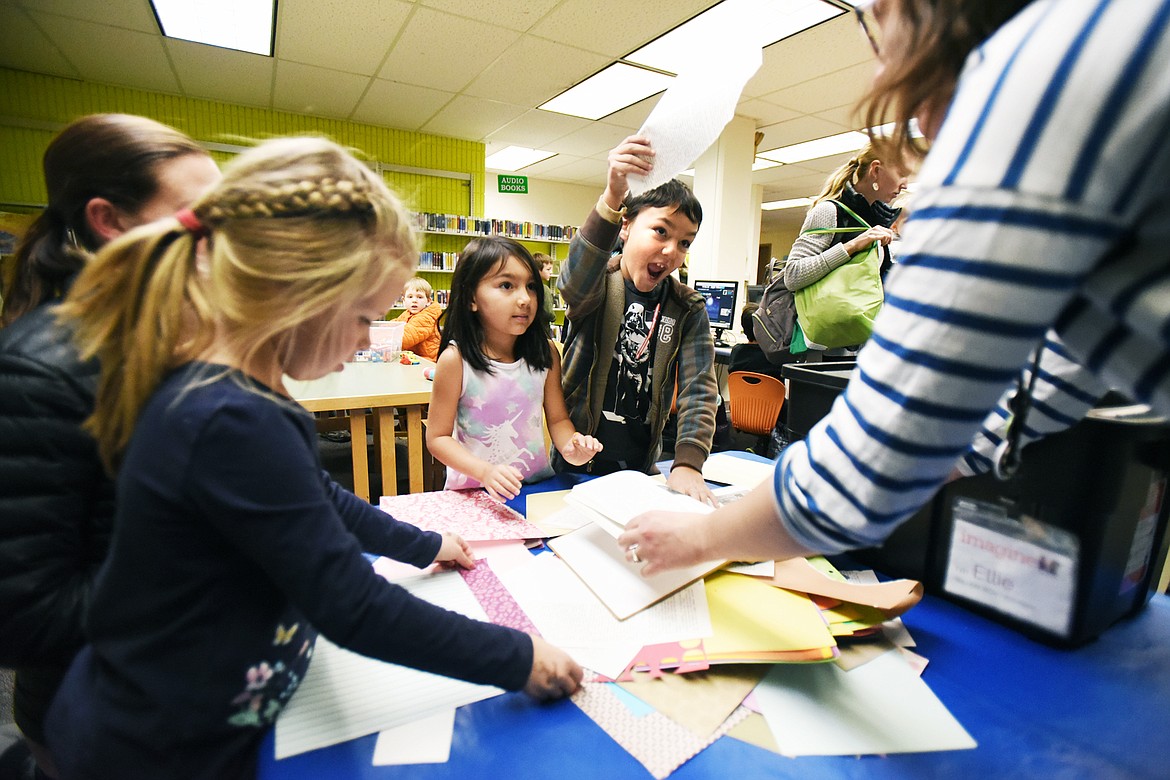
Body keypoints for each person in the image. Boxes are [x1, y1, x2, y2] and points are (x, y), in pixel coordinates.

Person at [43, 137, 582, 778]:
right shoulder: (229, 420)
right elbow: (351, 604)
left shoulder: (237, 395)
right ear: (293, 293)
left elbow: (318, 499)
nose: (363, 341)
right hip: (159, 746)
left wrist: (422, 542)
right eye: (360, 318)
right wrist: (520, 658)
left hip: (219, 707)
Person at [617, 0, 1160, 575]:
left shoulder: (1023, 109)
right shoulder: (1111, 51)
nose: (879, 74)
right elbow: (1048, 381)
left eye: (875, 21)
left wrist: (704, 538)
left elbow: (876, 457)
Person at [0, 113, 222, 779]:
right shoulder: (39, 370)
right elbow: (23, 616)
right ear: (111, 220)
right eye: (198, 218)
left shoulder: (168, 340)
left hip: (184, 685)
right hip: (102, 711)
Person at [557, 136, 720, 505]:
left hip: (639, 471)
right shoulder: (599, 284)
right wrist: (613, 198)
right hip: (574, 466)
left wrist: (688, 464)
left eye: (685, 243)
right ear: (626, 226)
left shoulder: (688, 308)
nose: (671, 250)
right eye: (661, 231)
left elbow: (700, 389)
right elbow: (573, 284)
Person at [427, 236, 602, 501]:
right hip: (474, 494)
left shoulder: (545, 353)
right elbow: (438, 438)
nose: (524, 299)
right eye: (507, 285)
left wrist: (571, 447)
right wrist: (485, 472)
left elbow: (557, 419)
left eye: (531, 286)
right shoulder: (456, 360)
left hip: (535, 489)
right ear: (471, 298)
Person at [781, 140, 908, 358]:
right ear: (876, 170)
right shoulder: (829, 212)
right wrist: (852, 245)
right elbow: (792, 275)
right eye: (902, 173)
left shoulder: (876, 220)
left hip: (865, 346)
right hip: (825, 351)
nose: (905, 184)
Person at [394, 276, 442, 360]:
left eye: (419, 297)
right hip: (414, 358)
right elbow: (394, 324)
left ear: (428, 301)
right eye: (410, 297)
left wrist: (384, 339)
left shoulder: (428, 316)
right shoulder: (407, 314)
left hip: (429, 360)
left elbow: (408, 336)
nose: (414, 300)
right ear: (403, 300)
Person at [534, 252, 558, 337]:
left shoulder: (528, 287)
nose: (551, 272)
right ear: (538, 270)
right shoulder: (544, 289)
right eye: (548, 269)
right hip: (543, 332)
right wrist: (554, 317)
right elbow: (548, 313)